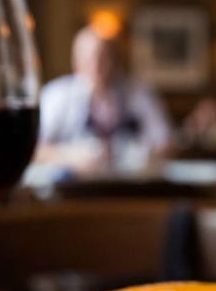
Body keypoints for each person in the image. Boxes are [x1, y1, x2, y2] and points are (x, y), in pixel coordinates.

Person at [35, 27, 172, 179]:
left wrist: (141, 156)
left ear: (116, 60)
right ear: (76, 62)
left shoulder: (139, 93)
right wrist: (69, 157)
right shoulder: (57, 95)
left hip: (131, 184)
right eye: (89, 58)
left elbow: (166, 144)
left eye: (104, 57)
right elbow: (33, 149)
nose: (97, 65)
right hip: (71, 186)